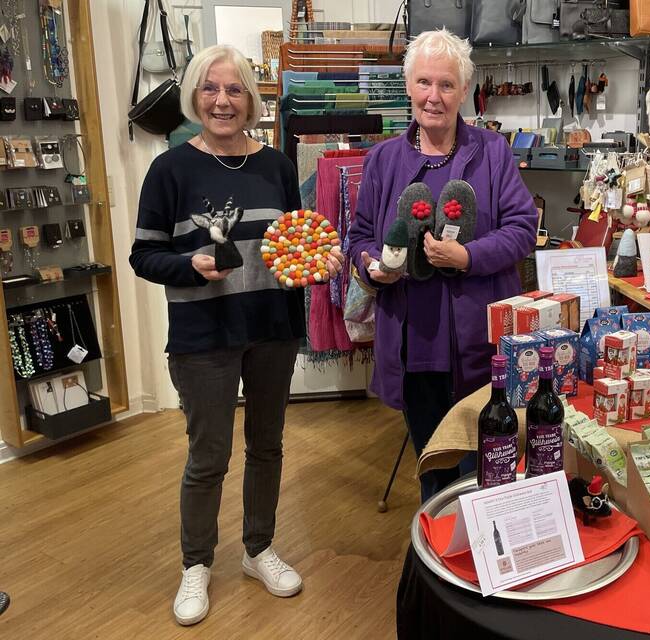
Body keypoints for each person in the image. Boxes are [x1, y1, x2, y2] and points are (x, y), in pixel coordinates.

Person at [130, 44, 343, 626]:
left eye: (233, 90)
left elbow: (294, 240)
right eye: (210, 89)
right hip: (204, 334)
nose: (222, 101)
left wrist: (316, 262)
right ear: (194, 96)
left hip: (272, 327)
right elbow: (143, 255)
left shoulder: (276, 165)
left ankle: (258, 548)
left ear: (250, 99)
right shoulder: (170, 169)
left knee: (267, 446)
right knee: (208, 457)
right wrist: (189, 265)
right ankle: (195, 563)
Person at [348, 29, 538, 501]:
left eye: (447, 84)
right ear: (408, 85)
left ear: (464, 90)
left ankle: (485, 540)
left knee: (487, 465)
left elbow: (521, 228)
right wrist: (374, 266)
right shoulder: (383, 159)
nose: (434, 96)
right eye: (424, 82)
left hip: (480, 341)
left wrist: (468, 257)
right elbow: (360, 236)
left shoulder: (492, 151)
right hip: (414, 342)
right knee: (433, 464)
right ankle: (439, 536)